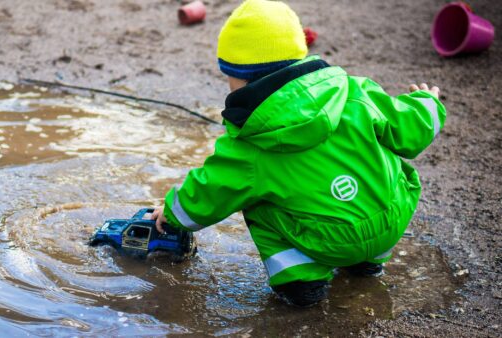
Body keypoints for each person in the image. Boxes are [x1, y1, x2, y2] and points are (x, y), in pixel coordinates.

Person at [151, 0, 446, 307]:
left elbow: (211, 190)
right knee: (382, 164)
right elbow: (410, 128)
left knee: (253, 200)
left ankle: (301, 282)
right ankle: (366, 264)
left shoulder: (249, 143)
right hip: (390, 220)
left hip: (327, 241)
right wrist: (427, 102)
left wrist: (172, 214)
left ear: (240, 78)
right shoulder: (355, 91)